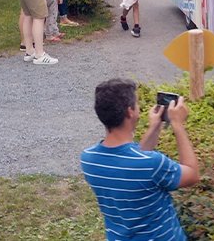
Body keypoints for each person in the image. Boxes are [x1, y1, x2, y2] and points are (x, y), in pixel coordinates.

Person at [80, 78, 200, 240]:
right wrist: (178, 125)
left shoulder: (88, 159)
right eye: (137, 104)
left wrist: (154, 127)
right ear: (130, 111)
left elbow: (134, 161)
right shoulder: (152, 163)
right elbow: (192, 174)